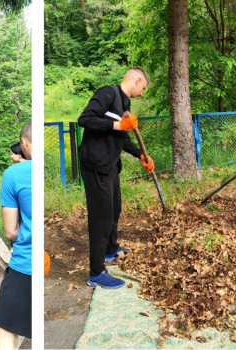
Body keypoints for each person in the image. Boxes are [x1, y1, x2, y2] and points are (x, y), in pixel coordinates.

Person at [78, 67, 155, 289]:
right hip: (96, 165)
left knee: (114, 210)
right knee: (101, 218)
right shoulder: (108, 93)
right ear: (137, 80)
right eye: (143, 88)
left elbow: (122, 138)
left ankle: (111, 250)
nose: (142, 93)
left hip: (110, 165)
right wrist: (117, 124)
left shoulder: (125, 104)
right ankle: (96, 272)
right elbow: (85, 119)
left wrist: (142, 155)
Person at [0, 121, 32, 349]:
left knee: (6, 326)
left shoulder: (13, 174)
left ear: (23, 144)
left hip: (26, 261)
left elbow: (10, 231)